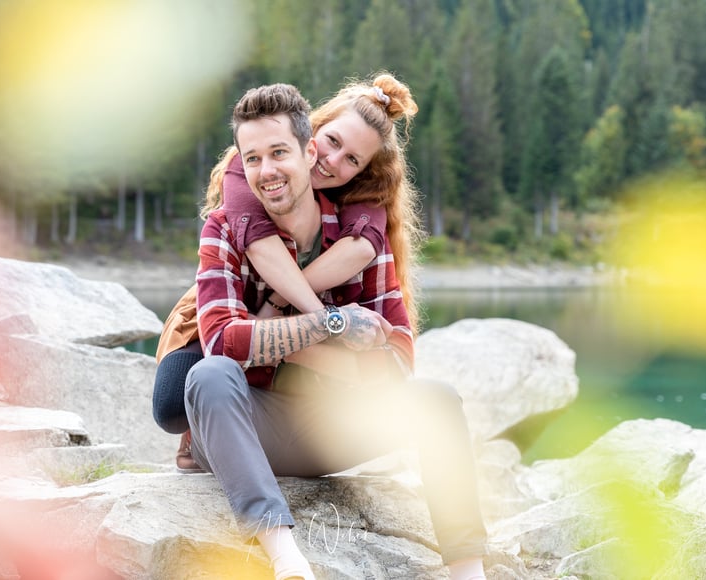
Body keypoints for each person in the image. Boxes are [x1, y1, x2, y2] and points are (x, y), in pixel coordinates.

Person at [185, 83, 487, 580]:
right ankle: (286, 558)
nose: (269, 171)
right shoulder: (226, 225)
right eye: (254, 158)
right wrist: (333, 325)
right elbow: (222, 341)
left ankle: (467, 569)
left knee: (436, 399)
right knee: (209, 375)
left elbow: (396, 364)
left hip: (337, 427)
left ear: (306, 152)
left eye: (280, 153)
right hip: (250, 428)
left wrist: (279, 335)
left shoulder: (361, 236)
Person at [153, 73, 422, 469]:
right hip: (231, 304)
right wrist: (326, 319)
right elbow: (259, 247)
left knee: (303, 379)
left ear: (364, 170)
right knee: (174, 404)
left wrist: (290, 307)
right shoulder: (248, 172)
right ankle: (204, 430)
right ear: (314, 134)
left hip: (295, 317)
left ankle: (267, 423)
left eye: (352, 160)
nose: (332, 162)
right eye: (333, 142)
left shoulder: (359, 203)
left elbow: (362, 249)